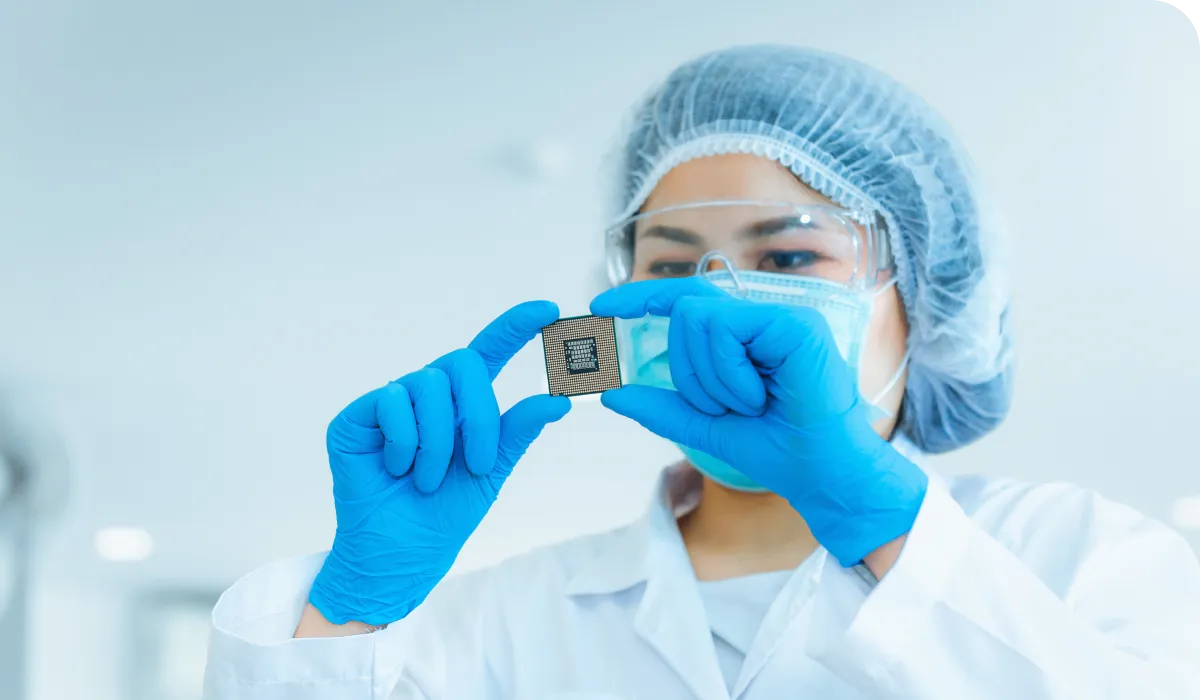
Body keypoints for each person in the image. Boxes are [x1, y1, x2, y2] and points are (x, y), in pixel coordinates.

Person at [202, 45, 1200, 699]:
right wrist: (349, 610)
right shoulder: (490, 626)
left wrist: (878, 516)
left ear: (926, 295)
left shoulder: (1081, 558)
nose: (716, 303)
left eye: (791, 257)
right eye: (672, 265)